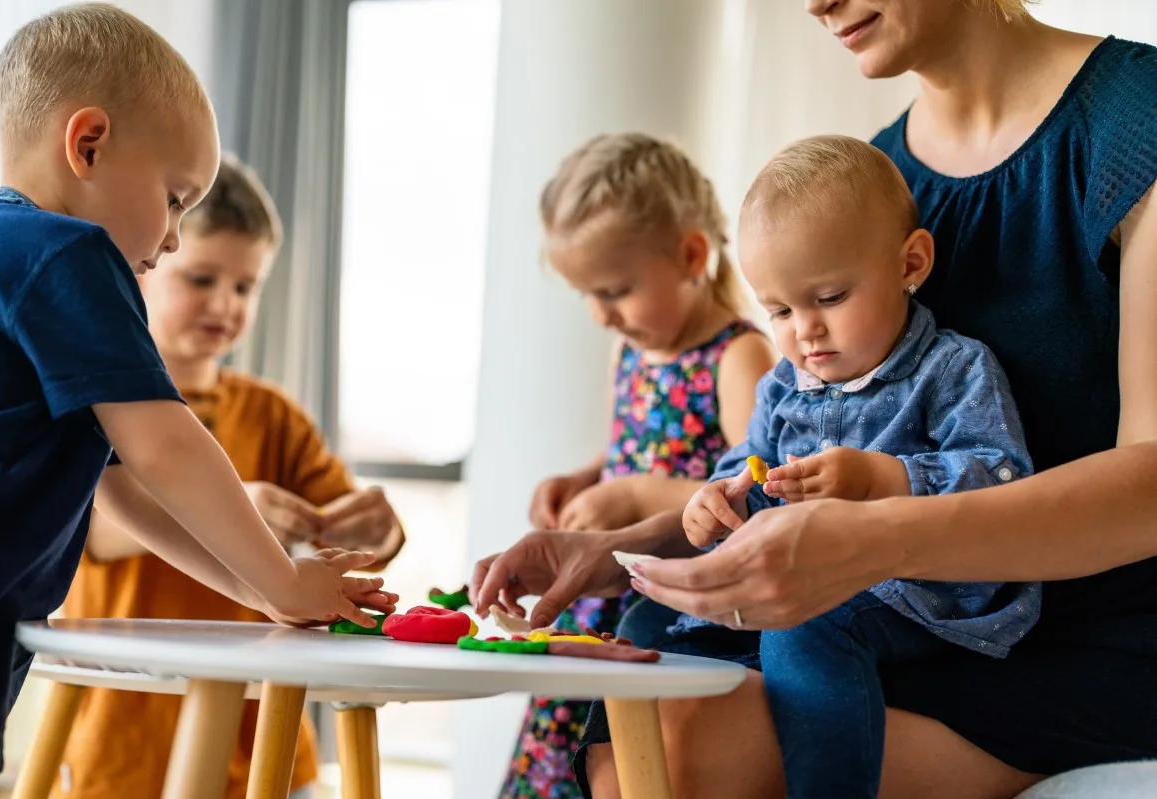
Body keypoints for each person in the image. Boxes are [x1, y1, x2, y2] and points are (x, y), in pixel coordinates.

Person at [474, 1, 1157, 796]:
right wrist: (629, 549)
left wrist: (872, 535)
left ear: (914, 261)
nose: (814, 3)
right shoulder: (867, 184)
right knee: (638, 719)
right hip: (870, 617)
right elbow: (786, 486)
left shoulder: (1133, 122)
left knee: (689, 751)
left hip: (1071, 649)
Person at [0, 6, 395, 797]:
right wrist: (285, 581)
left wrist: (261, 592)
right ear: (88, 144)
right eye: (177, 198)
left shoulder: (5, 255)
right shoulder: (62, 251)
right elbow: (165, 446)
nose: (175, 236)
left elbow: (121, 485)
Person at [681, 134, 1034, 799]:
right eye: (780, 310)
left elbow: (1003, 477)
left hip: (926, 592)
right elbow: (749, 464)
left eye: (831, 297)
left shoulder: (954, 369)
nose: (804, 331)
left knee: (803, 628)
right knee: (655, 620)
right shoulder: (784, 385)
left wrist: (884, 480)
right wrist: (721, 495)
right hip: (805, 576)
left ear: (911, 263)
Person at [56, 154, 405, 799]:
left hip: (267, 736)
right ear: (145, 271)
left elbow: (351, 541)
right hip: (128, 734)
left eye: (244, 287)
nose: (224, 303)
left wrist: (378, 530)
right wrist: (232, 508)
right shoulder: (103, 403)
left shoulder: (275, 417)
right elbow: (97, 535)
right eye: (202, 278)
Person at [500, 133, 774, 798]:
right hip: (594, 609)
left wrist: (631, 494)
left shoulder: (739, 357)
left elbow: (754, 494)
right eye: (586, 294)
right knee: (560, 761)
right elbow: (629, 444)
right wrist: (588, 477)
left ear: (691, 255)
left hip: (671, 616)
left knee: (629, 771)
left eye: (616, 290)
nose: (601, 314)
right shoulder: (633, 351)